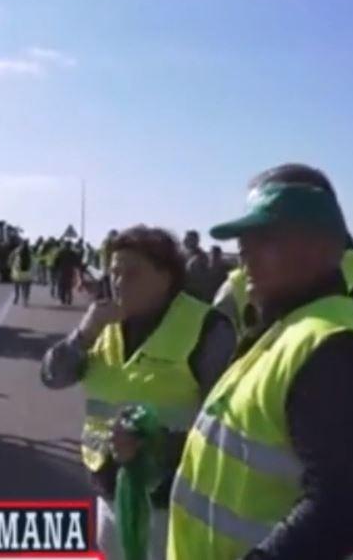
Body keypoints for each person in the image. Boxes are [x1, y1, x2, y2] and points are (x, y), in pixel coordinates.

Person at [164, 175, 353, 560]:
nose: (245, 259)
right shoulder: (285, 328)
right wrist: (162, 450)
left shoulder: (328, 344)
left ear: (322, 249)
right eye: (243, 246)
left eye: (265, 242)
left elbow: (345, 503)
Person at [41, 226, 236, 560]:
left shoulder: (207, 328)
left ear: (166, 277)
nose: (118, 282)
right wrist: (84, 333)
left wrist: (154, 446)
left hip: (172, 505)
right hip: (110, 496)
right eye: (114, 272)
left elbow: (226, 427)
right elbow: (52, 377)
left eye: (132, 273)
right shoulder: (102, 324)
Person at [213, 163, 353, 339]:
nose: (245, 253)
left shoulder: (236, 288)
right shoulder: (239, 287)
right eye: (245, 241)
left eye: (265, 237)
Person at [181, 230, 211, 301]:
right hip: (184, 292)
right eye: (185, 239)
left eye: (188, 239)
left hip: (195, 295)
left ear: (196, 241)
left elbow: (203, 279)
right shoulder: (185, 255)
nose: (184, 241)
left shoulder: (201, 257)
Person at [9, 241, 34, 306]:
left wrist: (10, 266)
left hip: (17, 272)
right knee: (26, 287)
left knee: (16, 286)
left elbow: (10, 259)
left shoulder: (16, 251)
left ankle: (16, 298)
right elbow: (33, 261)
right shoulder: (30, 251)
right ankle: (25, 300)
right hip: (27, 273)